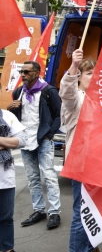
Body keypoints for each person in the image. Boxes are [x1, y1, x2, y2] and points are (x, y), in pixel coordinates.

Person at [7, 61, 61, 230]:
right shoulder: (18, 92)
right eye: (22, 71)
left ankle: (54, 212)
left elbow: (59, 115)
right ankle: (39, 210)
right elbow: (13, 119)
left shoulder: (48, 91)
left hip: (42, 140)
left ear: (37, 73)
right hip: (25, 141)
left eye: (26, 72)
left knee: (50, 176)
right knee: (32, 179)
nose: (23, 74)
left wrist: (49, 134)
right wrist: (10, 108)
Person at [59, 50, 101, 251]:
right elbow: (66, 92)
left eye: (96, 73)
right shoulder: (76, 99)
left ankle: (90, 248)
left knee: (94, 212)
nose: (94, 77)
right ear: (80, 78)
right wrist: (74, 67)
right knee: (81, 212)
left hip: (99, 165)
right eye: (89, 73)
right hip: (81, 164)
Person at [0, 95, 26, 252]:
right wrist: (7, 141)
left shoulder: (7, 115)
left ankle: (7, 249)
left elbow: (22, 140)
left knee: (6, 219)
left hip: (5, 179)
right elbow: (13, 141)